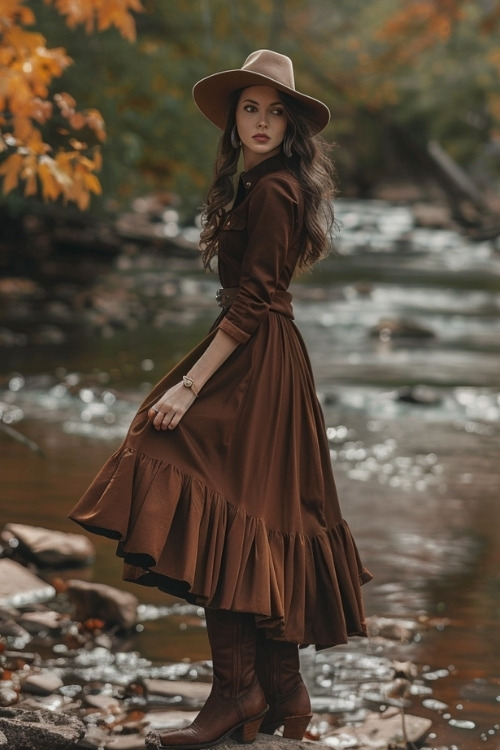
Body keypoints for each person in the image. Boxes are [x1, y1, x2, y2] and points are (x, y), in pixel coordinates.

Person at [69, 49, 372, 750]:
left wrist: (189, 383)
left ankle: (238, 694)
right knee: (252, 522)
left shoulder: (273, 191)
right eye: (249, 109)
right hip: (267, 362)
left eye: (273, 111)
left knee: (186, 472)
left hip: (255, 364)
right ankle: (280, 694)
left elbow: (257, 301)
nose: (261, 122)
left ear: (290, 123)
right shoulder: (268, 184)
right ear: (234, 121)